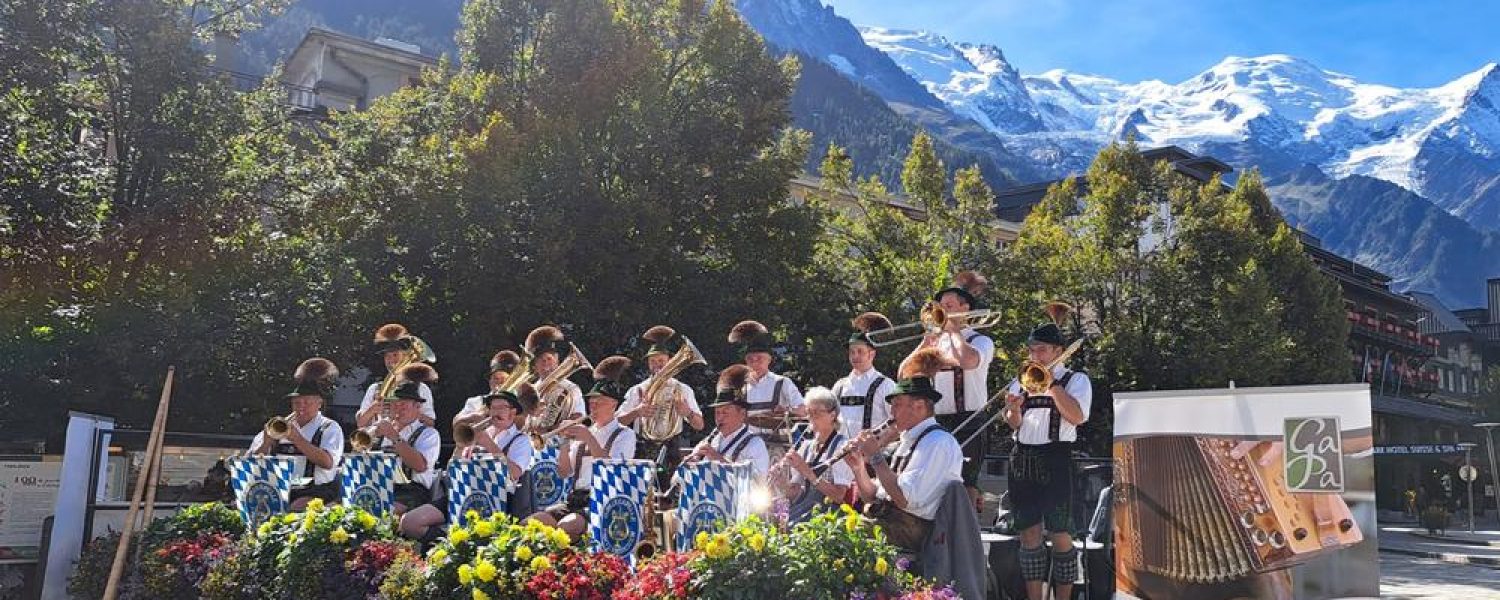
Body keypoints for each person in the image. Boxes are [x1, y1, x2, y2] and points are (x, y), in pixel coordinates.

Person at [1001, 320, 1092, 600]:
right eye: (1032, 351)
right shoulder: (1023, 379)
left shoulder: (1076, 380)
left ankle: (1064, 597)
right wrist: (1012, 411)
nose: (1035, 356)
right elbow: (1015, 425)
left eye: (1041, 350)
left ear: (1058, 351)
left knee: (1060, 531)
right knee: (1029, 533)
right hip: (1023, 457)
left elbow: (1077, 417)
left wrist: (1052, 386)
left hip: (1056, 457)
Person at [846, 348, 963, 551]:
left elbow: (903, 499)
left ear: (919, 407)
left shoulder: (937, 442)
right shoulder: (909, 440)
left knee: (840, 535)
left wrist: (875, 455)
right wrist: (858, 469)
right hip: (892, 520)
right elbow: (872, 496)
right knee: (832, 527)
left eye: (897, 404)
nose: (891, 413)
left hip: (914, 529)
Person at [903, 281, 994, 510]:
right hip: (938, 420)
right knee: (935, 481)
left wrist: (954, 331)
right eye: (940, 305)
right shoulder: (936, 344)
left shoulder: (980, 341)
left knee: (966, 484)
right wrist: (925, 341)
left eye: (949, 305)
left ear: (965, 308)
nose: (942, 310)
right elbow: (905, 374)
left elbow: (967, 361)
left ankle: (969, 536)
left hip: (970, 419)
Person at [529, 356, 637, 537]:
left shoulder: (625, 434)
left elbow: (611, 467)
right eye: (591, 403)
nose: (593, 407)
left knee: (565, 527)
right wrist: (564, 442)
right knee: (532, 523)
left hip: (603, 499)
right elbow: (564, 472)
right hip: (575, 499)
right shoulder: (583, 433)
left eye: (599, 402)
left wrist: (588, 437)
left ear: (613, 404)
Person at [247, 358, 344, 509]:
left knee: (296, 506)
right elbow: (250, 462)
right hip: (279, 488)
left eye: (306, 403)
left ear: (319, 403)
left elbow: (327, 462)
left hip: (316, 491)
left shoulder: (330, 428)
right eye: (296, 403)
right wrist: (266, 443)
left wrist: (297, 439)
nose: (301, 408)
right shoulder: (280, 425)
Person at [618, 325, 704, 477]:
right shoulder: (637, 389)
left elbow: (700, 425)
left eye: (661, 360)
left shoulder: (683, 389)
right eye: (653, 361)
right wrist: (636, 412)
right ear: (648, 364)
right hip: (643, 447)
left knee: (670, 497)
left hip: (671, 447)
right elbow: (618, 422)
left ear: (670, 361)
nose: (658, 364)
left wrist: (688, 413)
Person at [367, 364, 442, 524]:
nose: (398, 409)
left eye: (403, 405)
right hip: (379, 487)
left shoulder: (428, 434)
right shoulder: (383, 430)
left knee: (380, 512)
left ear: (417, 407)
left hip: (412, 492)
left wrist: (394, 437)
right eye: (395, 404)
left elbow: (420, 466)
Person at [768, 386, 854, 523]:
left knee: (789, 527)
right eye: (809, 413)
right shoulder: (807, 446)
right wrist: (782, 483)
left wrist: (807, 471)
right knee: (768, 517)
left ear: (833, 415)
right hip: (805, 509)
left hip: (828, 514)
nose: (812, 418)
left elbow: (839, 496)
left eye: (817, 413)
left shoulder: (841, 447)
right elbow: (796, 493)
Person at [686, 364, 771, 478]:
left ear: (742, 414)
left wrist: (718, 459)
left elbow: (757, 482)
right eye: (717, 412)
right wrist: (690, 464)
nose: (720, 417)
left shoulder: (755, 444)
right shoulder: (710, 441)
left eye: (725, 412)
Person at [727, 320, 805, 440]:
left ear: (769, 360)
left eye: (759, 359)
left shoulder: (783, 382)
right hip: (750, 445)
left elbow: (803, 410)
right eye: (750, 359)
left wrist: (787, 411)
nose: (754, 362)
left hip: (779, 445)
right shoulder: (740, 387)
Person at [830, 312, 897, 441]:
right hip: (843, 456)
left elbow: (897, 424)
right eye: (852, 352)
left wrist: (877, 446)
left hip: (876, 456)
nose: (855, 356)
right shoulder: (839, 386)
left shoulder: (886, 385)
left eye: (860, 351)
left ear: (871, 354)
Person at [357, 323, 436, 428]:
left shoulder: (421, 388)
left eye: (395, 355)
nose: (391, 360)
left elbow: (430, 423)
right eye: (387, 356)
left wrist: (407, 412)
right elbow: (360, 424)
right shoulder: (374, 388)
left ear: (404, 356)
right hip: (380, 441)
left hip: (406, 441)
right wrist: (373, 409)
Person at [526, 325, 586, 421]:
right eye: (541, 361)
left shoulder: (572, 389)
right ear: (535, 367)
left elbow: (579, 418)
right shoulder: (529, 391)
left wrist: (553, 427)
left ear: (557, 361)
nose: (546, 365)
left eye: (549, 359)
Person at [454, 349, 524, 426]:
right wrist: (474, 416)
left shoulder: (523, 404)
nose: (499, 383)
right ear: (490, 380)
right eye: (496, 378)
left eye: (505, 379)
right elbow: (456, 422)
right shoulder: (476, 402)